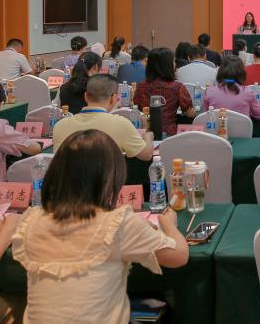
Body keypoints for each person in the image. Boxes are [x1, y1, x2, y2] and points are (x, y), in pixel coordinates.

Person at [13, 129, 188, 324]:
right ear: (110, 178)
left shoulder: (31, 220)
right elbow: (179, 256)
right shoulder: (118, 224)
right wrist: (169, 225)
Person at [54, 74, 153, 159]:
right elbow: (146, 155)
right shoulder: (121, 124)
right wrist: (148, 136)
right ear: (113, 99)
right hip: (107, 176)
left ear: (86, 97)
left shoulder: (60, 126)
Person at [133, 47, 196, 136]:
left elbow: (137, 108)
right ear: (169, 65)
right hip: (170, 135)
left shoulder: (141, 86)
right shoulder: (177, 87)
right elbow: (190, 113)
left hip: (146, 134)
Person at [201, 56, 260, 121]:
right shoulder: (248, 92)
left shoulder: (209, 92)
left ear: (220, 71)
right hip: (242, 127)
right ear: (242, 72)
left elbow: (205, 116)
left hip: (217, 127)